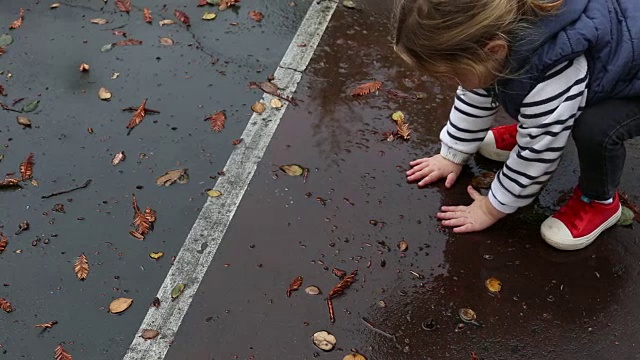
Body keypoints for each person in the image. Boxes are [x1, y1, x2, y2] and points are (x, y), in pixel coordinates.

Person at [393, 0, 640, 251]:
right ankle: (536, 125)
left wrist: (492, 208)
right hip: (608, 53)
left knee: (595, 129)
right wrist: (452, 153)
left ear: (494, 50)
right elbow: (476, 92)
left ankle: (599, 200)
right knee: (532, 103)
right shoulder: (494, 34)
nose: (451, 82)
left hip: (633, 85)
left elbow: (538, 155)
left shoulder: (554, 63)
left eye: (454, 75)